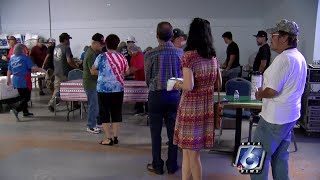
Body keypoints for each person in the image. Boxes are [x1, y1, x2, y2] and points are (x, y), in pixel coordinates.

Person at [252, 19, 307, 180]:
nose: (271, 38)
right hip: (289, 116)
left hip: (273, 118)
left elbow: (272, 91)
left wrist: (259, 94)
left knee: (255, 158)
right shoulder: (299, 57)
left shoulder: (283, 59)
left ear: (285, 38)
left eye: (274, 35)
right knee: (280, 157)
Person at [173, 18, 221, 180]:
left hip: (191, 109)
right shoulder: (212, 57)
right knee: (189, 153)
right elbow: (218, 82)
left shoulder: (189, 57)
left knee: (192, 156)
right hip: (205, 108)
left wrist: (176, 84)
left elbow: (188, 86)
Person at [144, 21, 183, 175]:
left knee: (155, 133)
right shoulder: (180, 53)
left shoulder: (150, 54)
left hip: (156, 95)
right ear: (172, 36)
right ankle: (172, 165)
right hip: (174, 96)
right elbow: (182, 77)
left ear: (157, 36)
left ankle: (157, 165)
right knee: (173, 133)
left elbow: (147, 78)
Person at [92, 34, 129, 145]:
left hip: (103, 89)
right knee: (116, 112)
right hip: (118, 88)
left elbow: (93, 70)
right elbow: (126, 72)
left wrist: (104, 73)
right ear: (117, 45)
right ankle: (116, 137)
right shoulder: (122, 57)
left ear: (106, 44)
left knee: (105, 113)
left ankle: (108, 138)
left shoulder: (101, 57)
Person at [7, 44, 46, 121]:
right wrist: (43, 70)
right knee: (27, 97)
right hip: (24, 79)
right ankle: (16, 110)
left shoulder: (12, 58)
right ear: (22, 50)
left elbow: (9, 70)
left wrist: (8, 79)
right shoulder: (25, 58)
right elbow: (33, 68)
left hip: (15, 79)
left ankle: (25, 112)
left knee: (22, 96)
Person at [48, 33, 79, 112]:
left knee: (57, 89)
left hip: (57, 72)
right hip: (65, 72)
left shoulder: (56, 48)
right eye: (68, 39)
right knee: (72, 88)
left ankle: (51, 104)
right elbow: (69, 61)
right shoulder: (66, 48)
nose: (69, 41)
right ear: (65, 40)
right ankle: (72, 104)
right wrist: (76, 67)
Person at [83, 33, 104, 134]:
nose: (102, 46)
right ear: (94, 43)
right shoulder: (91, 54)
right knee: (93, 105)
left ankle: (97, 122)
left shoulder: (94, 52)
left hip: (94, 82)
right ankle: (90, 126)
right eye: (100, 44)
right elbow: (93, 71)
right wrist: (107, 73)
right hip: (90, 83)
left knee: (97, 104)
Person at [127, 43, 146, 115]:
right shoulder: (133, 57)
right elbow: (131, 67)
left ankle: (143, 110)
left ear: (131, 51)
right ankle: (139, 108)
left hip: (143, 79)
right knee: (138, 95)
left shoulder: (140, 56)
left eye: (128, 51)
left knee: (143, 96)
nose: (128, 53)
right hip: (137, 79)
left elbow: (136, 68)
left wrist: (125, 73)